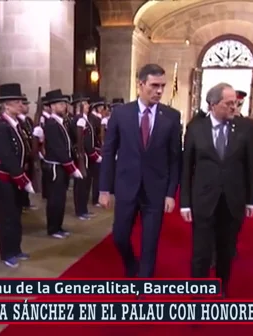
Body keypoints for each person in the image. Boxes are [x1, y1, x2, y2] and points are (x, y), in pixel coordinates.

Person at [99, 63, 182, 278]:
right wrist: (104, 189)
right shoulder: (121, 114)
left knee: (150, 241)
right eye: (154, 85)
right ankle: (130, 263)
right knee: (119, 236)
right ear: (140, 84)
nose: (160, 91)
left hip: (156, 189)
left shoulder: (172, 116)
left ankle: (144, 282)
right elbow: (109, 152)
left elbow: (175, 158)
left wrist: (170, 193)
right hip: (126, 186)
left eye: (162, 86)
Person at [180, 83, 253, 297]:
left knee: (226, 250)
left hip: (233, 199)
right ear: (213, 105)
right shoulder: (195, 128)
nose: (235, 107)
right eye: (229, 103)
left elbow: (252, 167)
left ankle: (222, 285)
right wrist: (185, 202)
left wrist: (252, 200)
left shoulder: (246, 128)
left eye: (236, 103)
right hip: (204, 200)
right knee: (201, 252)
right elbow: (186, 167)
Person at [0, 83, 35, 268]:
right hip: (4, 179)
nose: (20, 105)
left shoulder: (17, 124)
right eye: (17, 102)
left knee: (15, 215)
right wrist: (22, 178)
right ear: (7, 105)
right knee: (6, 216)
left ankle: (16, 248)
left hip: (15, 177)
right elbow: (6, 155)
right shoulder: (1, 126)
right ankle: (7, 253)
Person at [42, 89, 84, 238]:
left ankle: (58, 226)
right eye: (59, 104)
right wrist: (72, 167)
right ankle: (53, 228)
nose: (63, 106)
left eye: (64, 104)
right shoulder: (52, 124)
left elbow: (68, 143)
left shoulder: (61, 122)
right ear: (52, 106)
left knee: (61, 199)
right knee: (55, 199)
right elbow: (59, 149)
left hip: (62, 166)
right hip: (55, 167)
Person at [72, 93, 101, 220]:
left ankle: (84, 209)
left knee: (86, 183)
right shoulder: (80, 119)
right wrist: (89, 155)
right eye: (85, 103)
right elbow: (81, 140)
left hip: (87, 156)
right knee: (81, 184)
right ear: (80, 105)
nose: (88, 106)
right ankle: (80, 210)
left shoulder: (84, 118)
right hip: (83, 156)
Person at [15, 94, 37, 211]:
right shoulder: (17, 121)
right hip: (23, 156)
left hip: (29, 154)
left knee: (28, 177)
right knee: (21, 180)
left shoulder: (28, 120)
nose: (27, 106)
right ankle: (21, 202)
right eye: (25, 104)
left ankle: (25, 201)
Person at [89, 97, 106, 207]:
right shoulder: (93, 118)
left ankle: (97, 197)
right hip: (95, 149)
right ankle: (95, 199)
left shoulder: (99, 118)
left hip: (99, 149)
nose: (102, 109)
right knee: (96, 177)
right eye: (99, 107)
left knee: (99, 176)